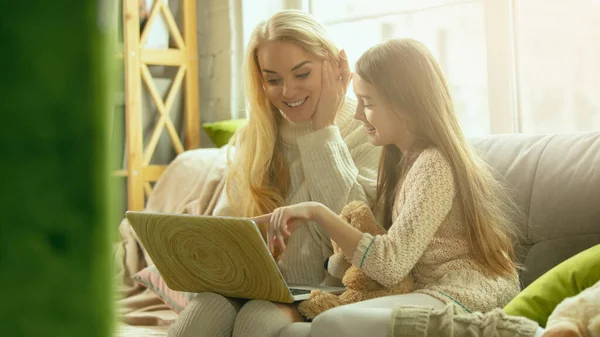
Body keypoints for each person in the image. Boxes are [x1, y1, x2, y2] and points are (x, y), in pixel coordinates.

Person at [254, 38, 525, 337]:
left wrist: (317, 213)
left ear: (406, 106)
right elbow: (382, 255)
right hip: (430, 291)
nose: (357, 114)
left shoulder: (434, 163)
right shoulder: (403, 162)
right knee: (308, 328)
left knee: (331, 324)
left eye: (367, 103)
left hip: (464, 295)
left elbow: (390, 265)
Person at [167, 10, 380, 337]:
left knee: (257, 319)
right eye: (273, 79)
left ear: (334, 65)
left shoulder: (368, 129)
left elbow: (356, 228)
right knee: (200, 315)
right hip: (255, 285)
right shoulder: (257, 137)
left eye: (302, 74)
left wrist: (323, 130)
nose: (289, 92)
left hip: (325, 291)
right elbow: (225, 228)